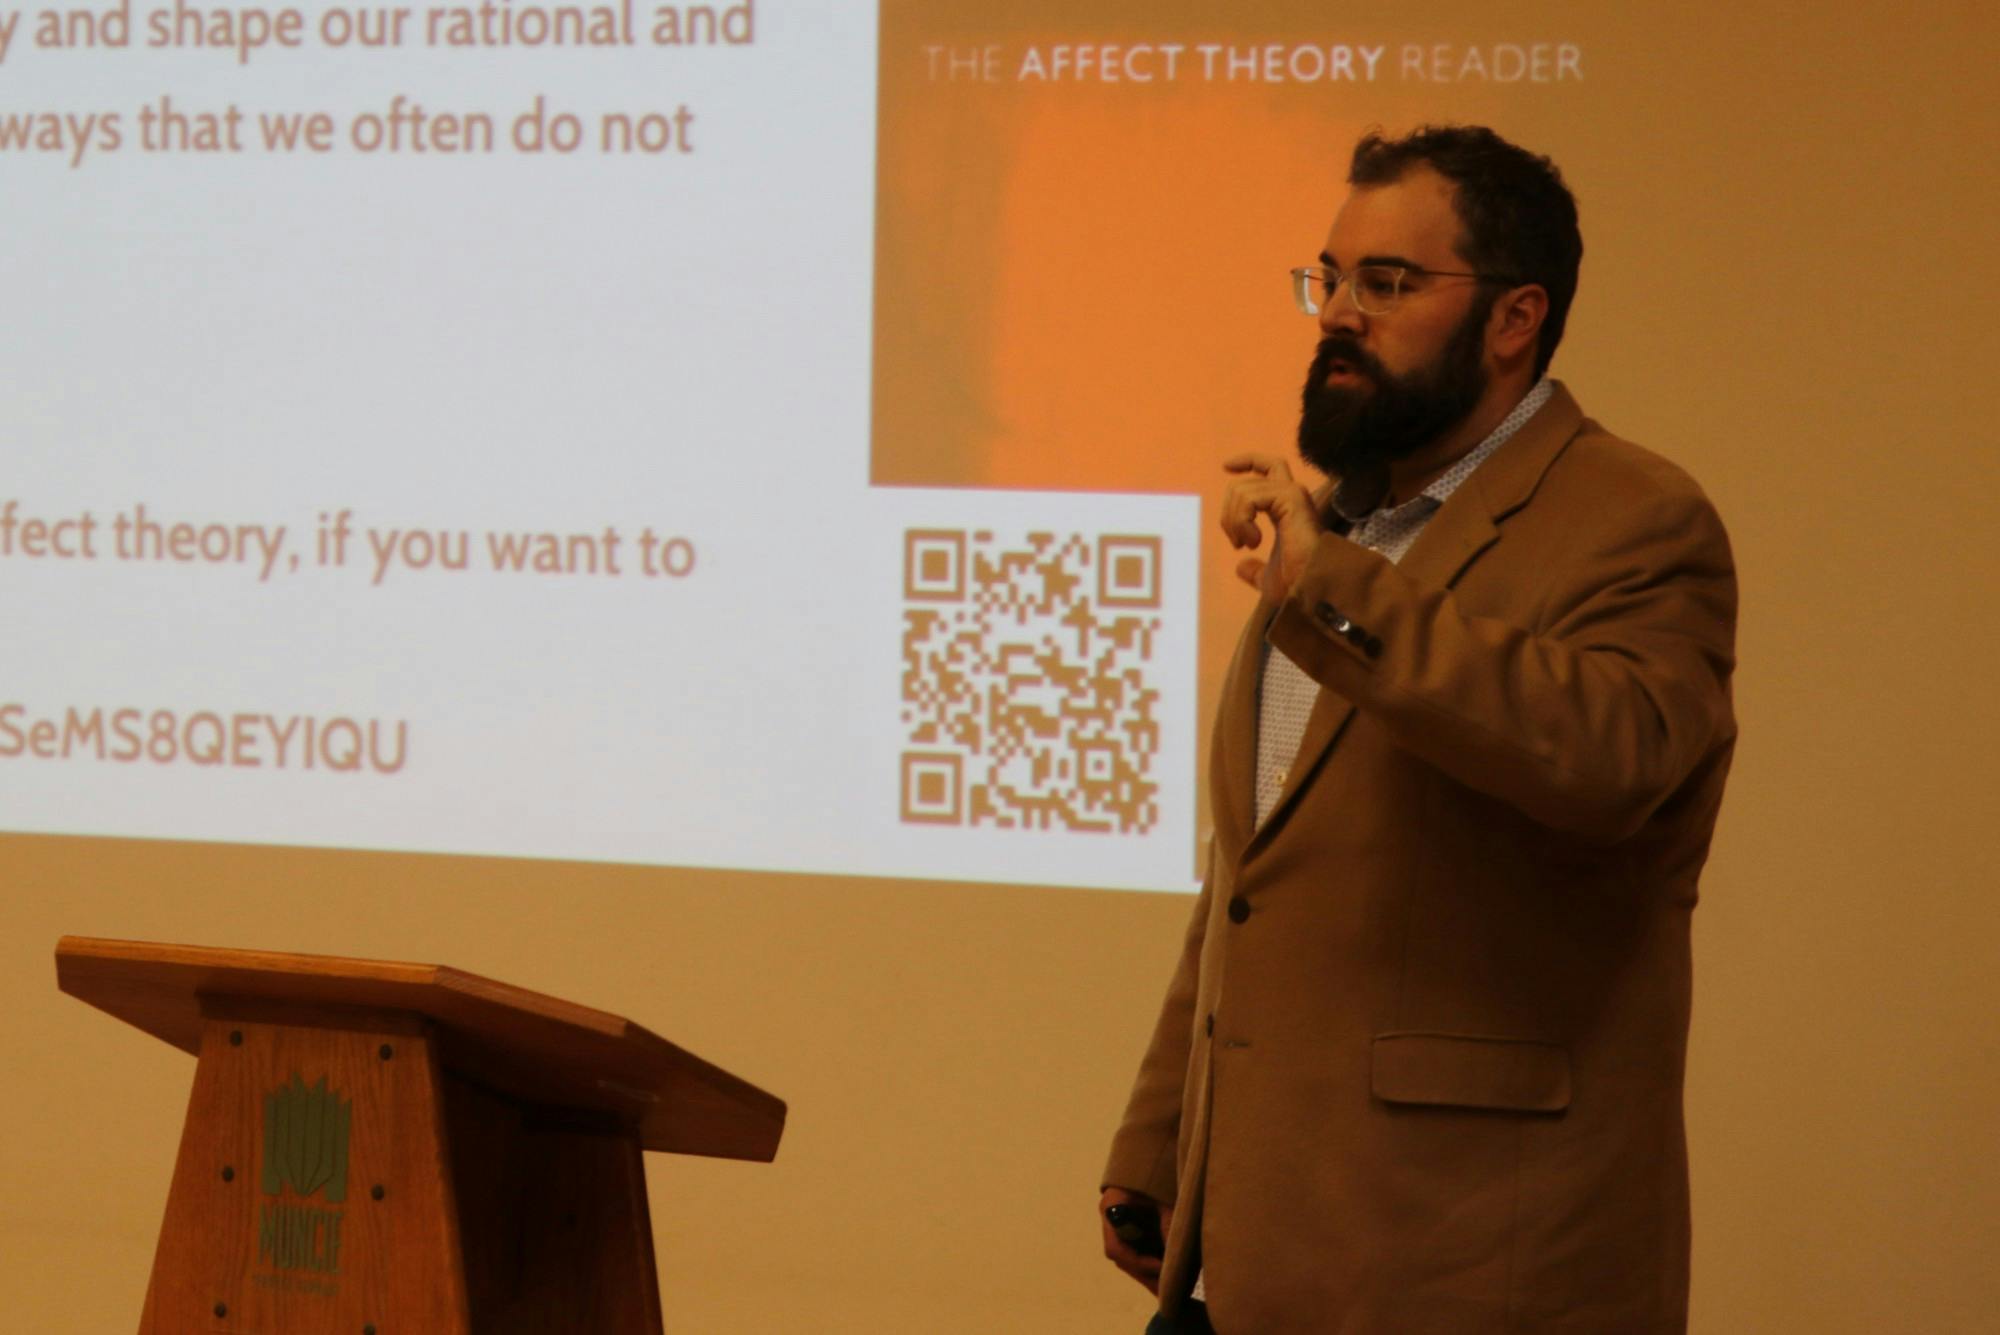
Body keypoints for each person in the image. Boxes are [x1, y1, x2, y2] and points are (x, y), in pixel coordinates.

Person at [1097, 125, 1737, 1333]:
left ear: (1513, 319)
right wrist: (1160, 1136)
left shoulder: (1635, 518)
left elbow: (1609, 760)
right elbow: (1256, 880)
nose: (1338, 313)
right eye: (1329, 278)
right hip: (1255, 1254)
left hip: (1475, 1265)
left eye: (1386, 283)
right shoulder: (1343, 535)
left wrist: (1333, 590)